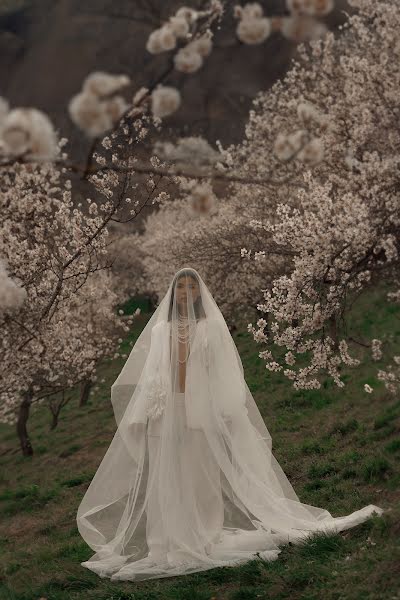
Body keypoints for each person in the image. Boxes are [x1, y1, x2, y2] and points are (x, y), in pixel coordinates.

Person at [76, 267, 384, 581]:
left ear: (198, 293)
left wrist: (226, 409)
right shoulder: (160, 330)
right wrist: (144, 414)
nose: (185, 292)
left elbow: (223, 372)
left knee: (202, 474)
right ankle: (168, 538)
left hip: (199, 411)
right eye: (180, 287)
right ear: (173, 293)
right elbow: (151, 374)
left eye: (191, 287)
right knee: (167, 475)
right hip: (165, 411)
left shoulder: (209, 328)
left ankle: (205, 535)